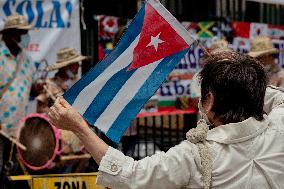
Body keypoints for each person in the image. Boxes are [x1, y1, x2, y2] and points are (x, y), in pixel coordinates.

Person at [48, 51, 284, 188]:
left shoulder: (196, 156)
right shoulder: (279, 125)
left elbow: (129, 176)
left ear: (209, 102)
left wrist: (79, 128)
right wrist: (243, 84)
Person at [36, 48, 87, 155]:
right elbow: (40, 109)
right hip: (59, 138)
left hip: (79, 134)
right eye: (75, 64)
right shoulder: (49, 85)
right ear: (66, 67)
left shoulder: (77, 83)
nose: (78, 66)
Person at [0, 14, 33, 175]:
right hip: (0, 127)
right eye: (21, 32)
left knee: (12, 172)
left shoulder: (27, 61)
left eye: (25, 32)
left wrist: (37, 88)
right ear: (9, 34)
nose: (25, 37)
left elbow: (27, 89)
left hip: (17, 129)